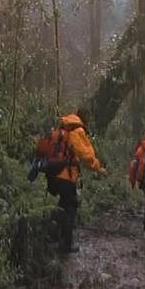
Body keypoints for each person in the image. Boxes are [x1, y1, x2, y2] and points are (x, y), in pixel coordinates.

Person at [46, 108, 107, 254]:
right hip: (66, 176)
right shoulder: (77, 131)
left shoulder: (63, 129)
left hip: (53, 174)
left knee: (62, 205)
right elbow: (86, 155)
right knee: (70, 207)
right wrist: (98, 168)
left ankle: (53, 236)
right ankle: (65, 245)